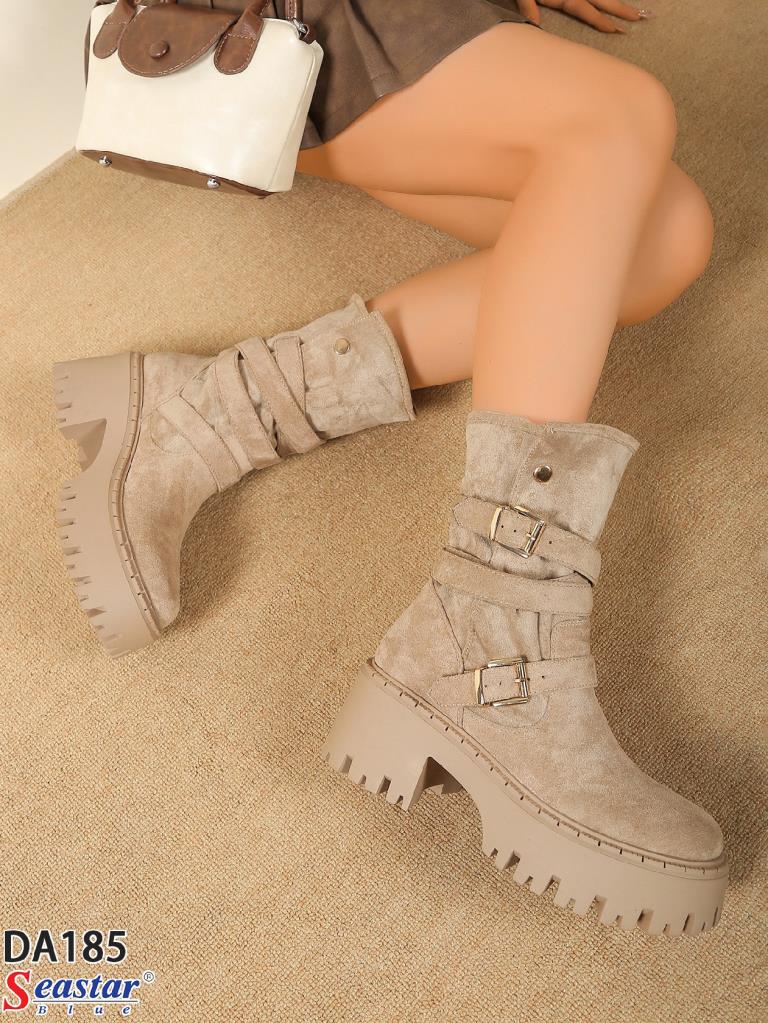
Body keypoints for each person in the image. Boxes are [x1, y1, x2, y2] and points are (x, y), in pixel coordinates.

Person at [54, 0, 726, 934]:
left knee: (663, 239)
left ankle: (215, 407)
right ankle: (493, 634)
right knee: (612, 119)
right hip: (267, 21)